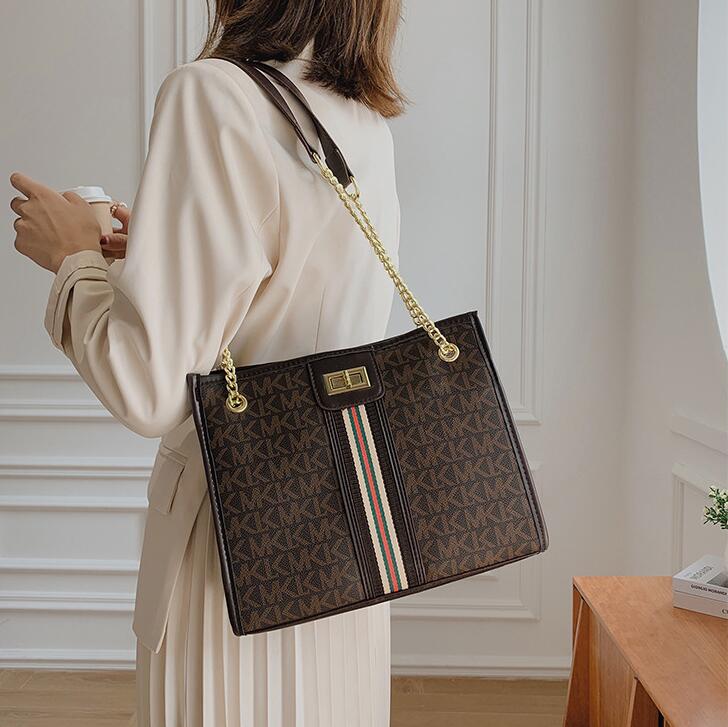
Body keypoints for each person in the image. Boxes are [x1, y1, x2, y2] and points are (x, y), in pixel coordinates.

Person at [9, 1, 404, 725]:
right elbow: (294, 293)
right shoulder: (361, 120)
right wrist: (164, 252)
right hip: (348, 539)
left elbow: (149, 387)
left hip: (232, 540)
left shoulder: (213, 94)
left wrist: (73, 261)